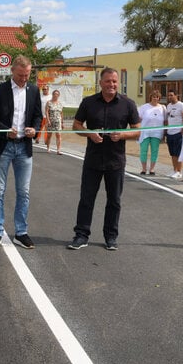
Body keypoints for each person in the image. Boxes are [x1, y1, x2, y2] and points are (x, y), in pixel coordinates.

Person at [68, 67, 140, 251]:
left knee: (114, 200)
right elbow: (76, 125)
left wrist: (122, 136)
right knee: (86, 199)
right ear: (100, 83)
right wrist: (89, 134)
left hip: (115, 161)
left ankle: (111, 237)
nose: (112, 84)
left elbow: (137, 130)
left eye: (115, 81)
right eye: (108, 81)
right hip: (93, 160)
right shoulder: (89, 102)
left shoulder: (128, 104)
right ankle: (81, 235)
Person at [0, 55, 43, 250]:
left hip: (24, 147)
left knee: (24, 192)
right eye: (20, 75)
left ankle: (21, 232)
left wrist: (34, 129)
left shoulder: (34, 90)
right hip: (3, 146)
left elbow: (37, 116)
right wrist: (4, 129)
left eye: (27, 75)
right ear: (12, 71)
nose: (24, 79)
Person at [137, 90, 166, 175]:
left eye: (157, 97)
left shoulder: (163, 108)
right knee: (144, 150)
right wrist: (137, 131)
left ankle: (152, 169)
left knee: (154, 150)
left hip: (157, 132)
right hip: (144, 132)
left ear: (159, 98)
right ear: (151, 97)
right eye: (153, 96)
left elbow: (165, 121)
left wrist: (164, 133)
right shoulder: (144, 107)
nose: (155, 98)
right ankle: (143, 168)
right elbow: (138, 119)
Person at [165, 89, 183, 179]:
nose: (170, 97)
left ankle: (179, 171)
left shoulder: (181, 105)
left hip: (178, 132)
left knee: (178, 153)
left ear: (176, 95)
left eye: (171, 95)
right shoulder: (168, 106)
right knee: (172, 153)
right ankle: (174, 170)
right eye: (168, 95)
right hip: (170, 132)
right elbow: (167, 119)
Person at [44, 89, 64, 154]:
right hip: (50, 120)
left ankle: (58, 150)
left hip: (58, 121)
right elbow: (46, 112)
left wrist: (62, 122)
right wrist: (48, 120)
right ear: (52, 95)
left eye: (57, 94)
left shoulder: (60, 103)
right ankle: (48, 148)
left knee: (58, 135)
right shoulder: (49, 102)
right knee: (49, 135)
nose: (56, 95)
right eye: (55, 94)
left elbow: (61, 113)